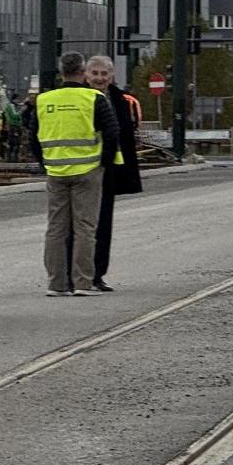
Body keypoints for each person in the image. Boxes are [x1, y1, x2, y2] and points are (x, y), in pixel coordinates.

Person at [30, 51, 118, 296]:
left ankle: (56, 284)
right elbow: (112, 134)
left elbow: (33, 138)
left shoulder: (45, 100)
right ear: (82, 72)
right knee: (85, 228)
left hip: (55, 171)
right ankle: (82, 282)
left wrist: (46, 162)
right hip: (88, 171)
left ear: (61, 72)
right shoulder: (94, 99)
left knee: (56, 228)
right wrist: (103, 164)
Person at [83, 55, 141, 292]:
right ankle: (77, 274)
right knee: (80, 225)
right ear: (86, 75)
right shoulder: (79, 97)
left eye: (103, 74)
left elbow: (125, 136)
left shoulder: (120, 100)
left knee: (103, 224)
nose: (99, 78)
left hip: (109, 171)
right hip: (82, 169)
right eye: (95, 73)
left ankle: (97, 274)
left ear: (112, 76)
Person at [0, 98, 23, 162]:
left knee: (10, 143)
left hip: (8, 127)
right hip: (14, 126)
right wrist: (21, 112)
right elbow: (15, 115)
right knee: (15, 142)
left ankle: (9, 158)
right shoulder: (11, 106)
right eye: (17, 99)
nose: (18, 101)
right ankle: (13, 158)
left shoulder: (6, 108)